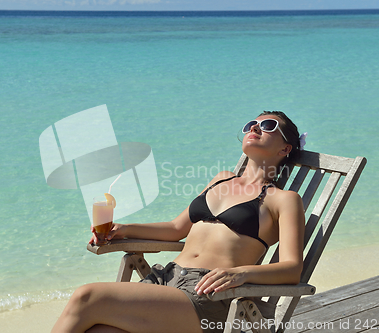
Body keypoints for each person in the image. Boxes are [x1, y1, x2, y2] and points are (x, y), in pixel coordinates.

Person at [52, 111, 305, 333]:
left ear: (285, 149)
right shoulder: (221, 179)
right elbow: (175, 229)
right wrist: (124, 229)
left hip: (207, 295)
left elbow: (292, 268)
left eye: (269, 125)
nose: (254, 128)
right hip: (164, 280)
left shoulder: (283, 200)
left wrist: (240, 274)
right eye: (252, 123)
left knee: (86, 297)